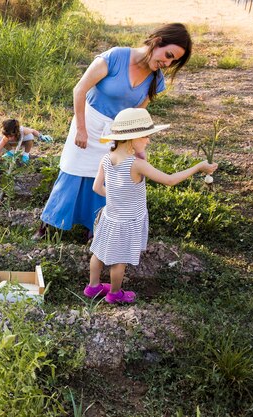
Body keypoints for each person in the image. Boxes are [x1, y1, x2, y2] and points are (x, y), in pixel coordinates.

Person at [33, 23, 192, 240]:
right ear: (157, 42)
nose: (167, 62)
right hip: (88, 123)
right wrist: (81, 129)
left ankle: (95, 226)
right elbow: (79, 89)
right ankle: (49, 225)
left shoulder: (156, 80)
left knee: (107, 177)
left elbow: (136, 116)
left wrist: (136, 148)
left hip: (116, 133)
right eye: (168, 55)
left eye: (173, 61)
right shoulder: (115, 57)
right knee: (72, 172)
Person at [83, 108, 218, 303]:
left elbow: (97, 187)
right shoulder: (136, 165)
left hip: (109, 217)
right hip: (127, 222)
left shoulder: (106, 159)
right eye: (145, 136)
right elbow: (170, 180)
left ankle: (93, 287)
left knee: (99, 252)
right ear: (132, 138)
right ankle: (114, 294)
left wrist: (115, 198)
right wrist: (198, 167)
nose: (148, 141)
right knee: (118, 260)